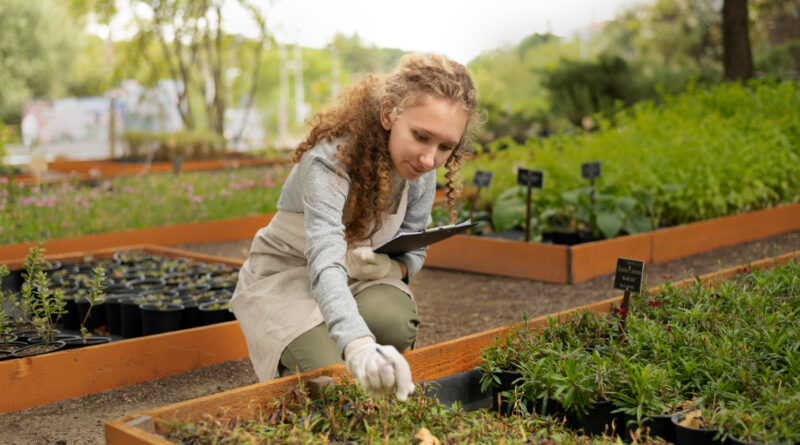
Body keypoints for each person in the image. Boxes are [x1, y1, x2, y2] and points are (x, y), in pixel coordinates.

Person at [230, 53, 480, 401]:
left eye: (446, 147)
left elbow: (415, 248)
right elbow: (324, 260)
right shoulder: (329, 162)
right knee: (329, 379)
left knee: (394, 319)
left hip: (353, 278)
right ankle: (333, 365)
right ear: (389, 114)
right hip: (290, 275)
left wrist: (394, 268)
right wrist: (358, 345)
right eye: (421, 136)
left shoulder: (421, 173)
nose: (429, 159)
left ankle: (374, 379)